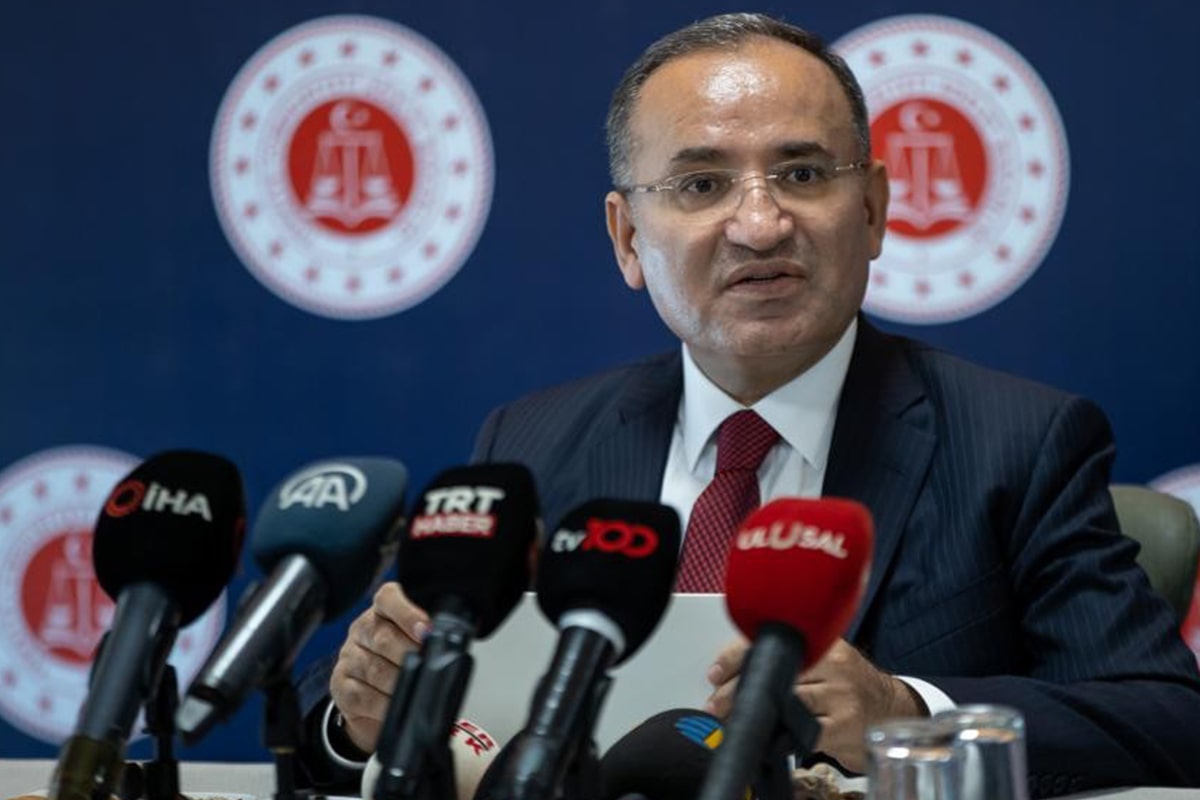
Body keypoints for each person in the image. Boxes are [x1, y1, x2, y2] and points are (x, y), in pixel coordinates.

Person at [297, 12, 1200, 797]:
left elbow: (1165, 716)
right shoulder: (533, 442)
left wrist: (904, 712)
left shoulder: (1017, 441)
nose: (761, 224)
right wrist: (362, 714)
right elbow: (343, 703)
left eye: (802, 174)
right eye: (701, 184)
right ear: (628, 238)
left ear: (873, 208)